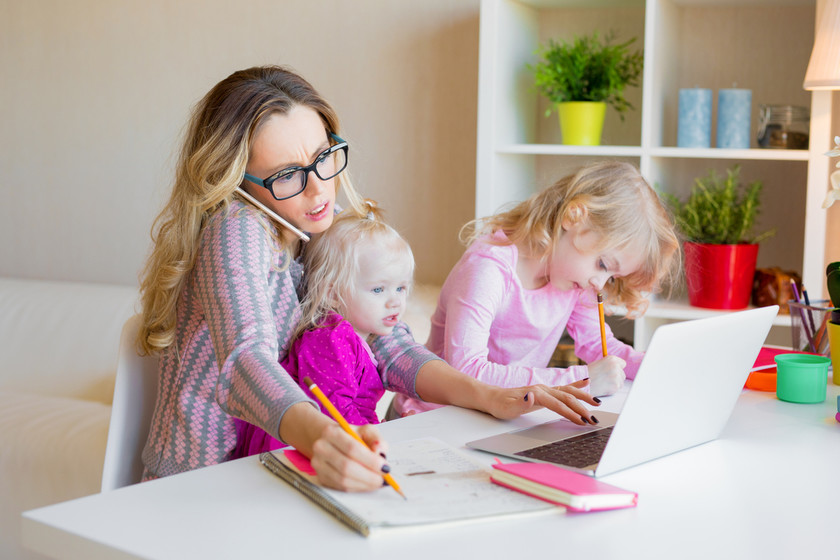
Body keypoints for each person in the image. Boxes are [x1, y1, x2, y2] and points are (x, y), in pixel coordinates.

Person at [136, 64, 601, 492]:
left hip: (272, 468)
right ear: (237, 182)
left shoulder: (319, 221)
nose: (319, 189)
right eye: (286, 176)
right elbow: (245, 361)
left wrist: (491, 396)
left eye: (324, 158)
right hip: (202, 482)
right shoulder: (236, 227)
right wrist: (322, 438)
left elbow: (391, 345)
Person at [393, 161, 680, 418]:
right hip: (432, 416)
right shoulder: (489, 268)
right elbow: (466, 372)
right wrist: (580, 379)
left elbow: (602, 347)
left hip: (503, 415)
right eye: (603, 263)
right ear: (573, 217)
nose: (600, 283)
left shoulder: (573, 279)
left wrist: (659, 365)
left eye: (613, 277)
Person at [234, 206, 414, 457]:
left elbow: (357, 410)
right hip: (288, 449)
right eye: (378, 290)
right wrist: (376, 438)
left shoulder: (361, 338)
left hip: (332, 441)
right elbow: (335, 411)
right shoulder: (331, 338)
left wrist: (382, 431)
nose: (395, 301)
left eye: (401, 288)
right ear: (332, 293)